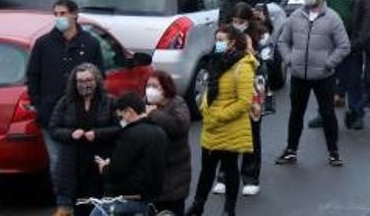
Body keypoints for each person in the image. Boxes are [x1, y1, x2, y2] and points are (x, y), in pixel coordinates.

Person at [26, 0, 104, 213]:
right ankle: (64, 204)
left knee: (82, 161)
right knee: (58, 163)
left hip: (82, 115)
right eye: (56, 14)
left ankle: (84, 202)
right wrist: (38, 105)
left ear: (74, 14)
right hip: (51, 116)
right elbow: (33, 76)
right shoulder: (43, 44)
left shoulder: (90, 43)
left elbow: (99, 77)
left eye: (63, 13)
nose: (59, 18)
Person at [275, 0, 350, 167]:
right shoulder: (295, 17)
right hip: (299, 76)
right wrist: (289, 59)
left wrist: (329, 63)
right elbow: (283, 41)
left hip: (323, 77)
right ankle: (291, 150)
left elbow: (344, 46)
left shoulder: (332, 18)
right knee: (296, 114)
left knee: (328, 114)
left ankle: (334, 152)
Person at [188, 26, 257, 216]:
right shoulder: (216, 61)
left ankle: (229, 209)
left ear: (233, 42)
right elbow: (208, 88)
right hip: (211, 125)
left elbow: (244, 102)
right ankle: (198, 205)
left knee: (230, 168)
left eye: (221, 40)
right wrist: (204, 107)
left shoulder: (243, 66)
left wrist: (220, 116)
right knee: (207, 169)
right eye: (216, 39)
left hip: (229, 127)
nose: (217, 43)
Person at [49, 63, 119, 212]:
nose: (84, 84)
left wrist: (98, 134)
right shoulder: (66, 102)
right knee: (78, 204)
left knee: (99, 205)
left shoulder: (109, 102)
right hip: (73, 162)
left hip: (99, 160)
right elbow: (53, 129)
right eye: (80, 81)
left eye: (88, 80)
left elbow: (119, 128)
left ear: (96, 81)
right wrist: (70, 134)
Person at [322, 0, 370, 131]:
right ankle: (324, 113)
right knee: (325, 80)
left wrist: (360, 39)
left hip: (351, 42)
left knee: (353, 80)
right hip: (328, 42)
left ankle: (357, 113)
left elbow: (369, 13)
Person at [96, 92, 167, 215]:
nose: (121, 120)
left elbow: (117, 170)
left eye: (121, 116)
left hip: (127, 197)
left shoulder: (130, 134)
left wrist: (105, 167)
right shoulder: (160, 131)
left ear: (129, 111)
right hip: (151, 199)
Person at [225, 3, 269, 195]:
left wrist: (252, 51)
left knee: (252, 131)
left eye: (241, 22)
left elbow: (267, 65)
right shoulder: (226, 36)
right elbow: (216, 59)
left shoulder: (261, 37)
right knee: (227, 132)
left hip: (253, 91)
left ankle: (251, 176)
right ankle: (225, 174)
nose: (237, 25)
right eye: (234, 21)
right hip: (229, 90)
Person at [144, 70, 191, 216]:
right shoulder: (144, 103)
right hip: (151, 174)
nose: (150, 89)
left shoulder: (177, 103)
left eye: (155, 86)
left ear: (165, 87)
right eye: (148, 85)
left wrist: (154, 114)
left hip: (174, 172)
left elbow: (180, 125)